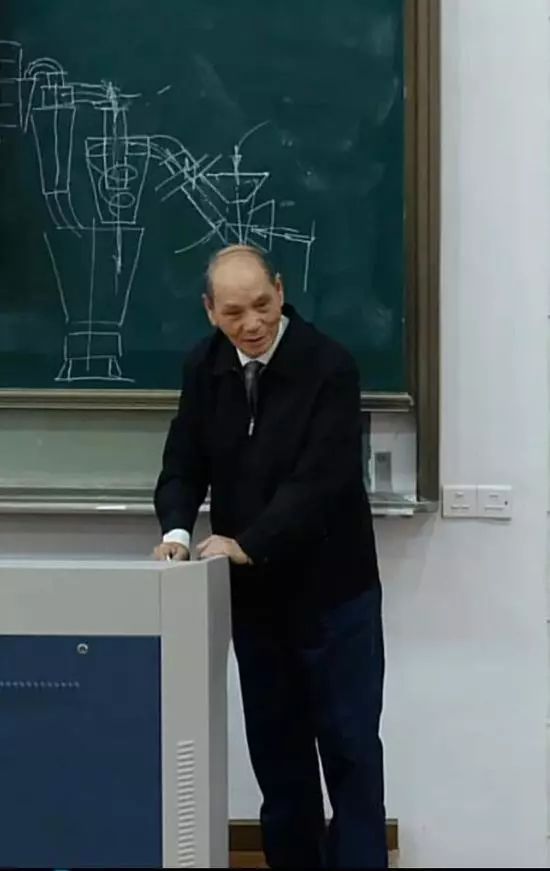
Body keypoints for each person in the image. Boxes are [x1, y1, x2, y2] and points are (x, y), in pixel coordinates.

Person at [153, 244, 387, 869]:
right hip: (257, 605)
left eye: (262, 305)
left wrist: (249, 543)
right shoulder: (204, 367)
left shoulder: (329, 365)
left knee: (351, 752)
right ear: (210, 310)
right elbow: (182, 463)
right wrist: (177, 532)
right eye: (234, 313)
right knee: (280, 760)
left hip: (335, 596)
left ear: (281, 291)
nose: (252, 324)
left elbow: (320, 481)